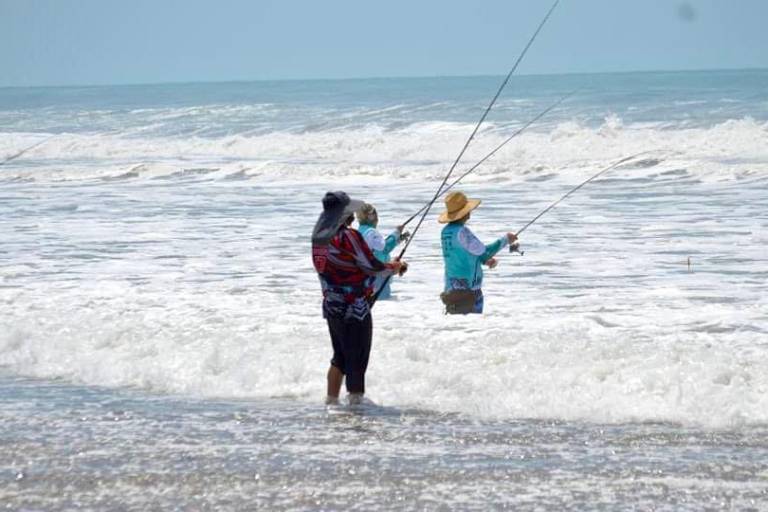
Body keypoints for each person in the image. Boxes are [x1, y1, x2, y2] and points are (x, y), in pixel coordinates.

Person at [311, 191, 408, 405]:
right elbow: (371, 265)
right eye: (349, 213)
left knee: (340, 357)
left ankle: (331, 402)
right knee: (357, 358)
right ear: (342, 215)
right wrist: (396, 267)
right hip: (355, 307)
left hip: (331, 305)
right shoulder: (348, 236)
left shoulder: (318, 238)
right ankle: (355, 407)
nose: (353, 217)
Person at [438, 191, 517, 314]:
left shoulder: (445, 232)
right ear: (465, 213)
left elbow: (462, 254)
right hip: (468, 291)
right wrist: (505, 240)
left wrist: (484, 260)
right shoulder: (462, 232)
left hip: (450, 289)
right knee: (471, 329)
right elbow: (485, 251)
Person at [355, 203, 409, 300]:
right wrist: (397, 232)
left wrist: (398, 239)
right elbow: (385, 248)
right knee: (383, 301)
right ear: (372, 217)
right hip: (378, 277)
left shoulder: (358, 232)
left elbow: (377, 251)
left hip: (363, 278)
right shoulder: (372, 232)